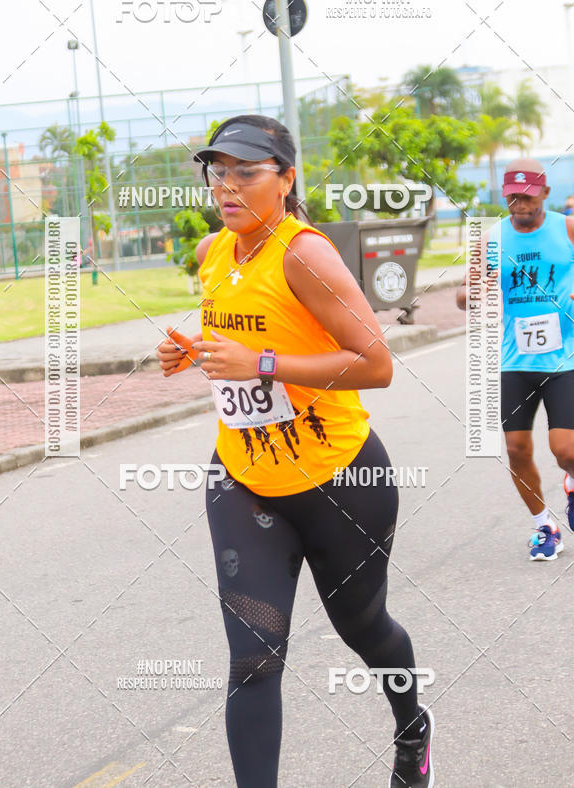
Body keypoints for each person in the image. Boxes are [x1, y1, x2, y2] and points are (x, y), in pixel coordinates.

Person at [158, 115, 435, 787]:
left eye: (246, 173)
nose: (227, 187)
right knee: (252, 659)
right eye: (218, 172)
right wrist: (192, 351)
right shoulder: (213, 252)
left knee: (365, 630)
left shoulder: (304, 255)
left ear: (285, 179)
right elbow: (245, 336)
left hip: (340, 480)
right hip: (244, 477)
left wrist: (263, 362)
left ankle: (412, 728)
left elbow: (375, 363)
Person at [456, 157, 574, 559]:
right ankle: (544, 526)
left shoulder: (567, 228)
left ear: (545, 193)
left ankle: (571, 482)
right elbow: (462, 294)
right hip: (514, 361)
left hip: (565, 359)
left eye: (527, 196)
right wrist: (476, 293)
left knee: (566, 450)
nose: (519, 204)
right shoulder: (491, 240)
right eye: (512, 197)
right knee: (517, 449)